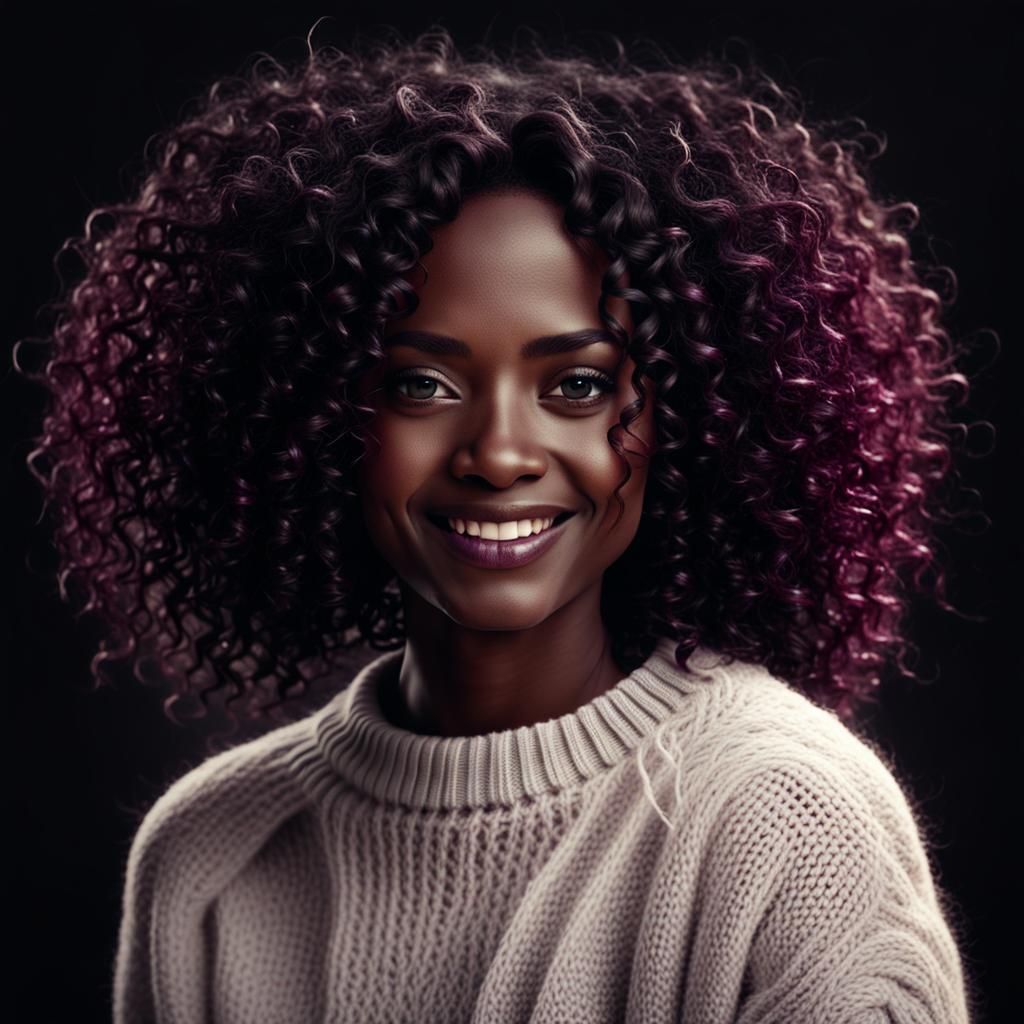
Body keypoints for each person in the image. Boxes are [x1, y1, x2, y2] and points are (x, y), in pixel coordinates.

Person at [16, 26, 981, 1023]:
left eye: (574, 384)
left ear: (683, 418)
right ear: (307, 411)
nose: (499, 452)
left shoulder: (785, 821)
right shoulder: (211, 856)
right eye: (422, 383)